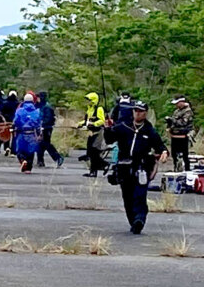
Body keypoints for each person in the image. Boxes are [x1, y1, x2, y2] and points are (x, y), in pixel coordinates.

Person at [104, 101, 169, 234]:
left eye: (140, 111)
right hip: (124, 166)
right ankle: (133, 221)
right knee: (127, 196)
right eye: (135, 110)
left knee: (139, 195)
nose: (137, 113)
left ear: (145, 113)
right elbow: (109, 139)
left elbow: (160, 146)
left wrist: (164, 152)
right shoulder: (123, 127)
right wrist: (107, 128)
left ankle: (139, 219)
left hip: (142, 167)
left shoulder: (149, 131)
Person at [78, 92, 107, 177]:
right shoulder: (89, 110)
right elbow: (86, 121)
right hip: (90, 133)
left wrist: (94, 124)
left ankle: (97, 169)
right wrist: (80, 124)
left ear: (93, 100)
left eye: (89, 100)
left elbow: (102, 120)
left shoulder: (99, 109)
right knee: (90, 152)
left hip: (98, 133)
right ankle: (95, 170)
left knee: (94, 152)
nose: (87, 102)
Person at [12, 93, 42, 172]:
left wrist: (14, 127)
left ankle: (22, 160)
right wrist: (39, 133)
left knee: (20, 149)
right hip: (32, 133)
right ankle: (28, 168)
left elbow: (16, 121)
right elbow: (38, 124)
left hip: (21, 133)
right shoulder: (37, 111)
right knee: (31, 151)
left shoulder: (19, 111)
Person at [35, 91, 64, 168]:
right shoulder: (40, 106)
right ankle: (40, 161)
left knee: (46, 144)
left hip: (46, 128)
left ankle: (58, 157)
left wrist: (43, 124)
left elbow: (48, 118)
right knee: (40, 144)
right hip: (41, 127)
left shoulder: (47, 107)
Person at [166, 96, 194, 171]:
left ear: (182, 102)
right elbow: (173, 123)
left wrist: (172, 120)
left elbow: (183, 122)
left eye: (177, 103)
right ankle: (176, 168)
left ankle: (187, 170)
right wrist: (169, 124)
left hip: (183, 136)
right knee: (174, 154)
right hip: (174, 136)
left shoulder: (188, 111)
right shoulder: (176, 111)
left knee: (184, 155)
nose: (176, 105)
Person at [0, 90, 19, 155]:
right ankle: (13, 151)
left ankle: (6, 147)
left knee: (6, 135)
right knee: (14, 136)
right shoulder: (17, 103)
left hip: (6, 121)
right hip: (14, 121)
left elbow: (2, 112)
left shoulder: (5, 103)